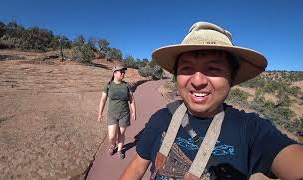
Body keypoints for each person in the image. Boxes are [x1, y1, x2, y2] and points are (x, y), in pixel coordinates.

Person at [120, 22, 303, 179]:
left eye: (213, 69)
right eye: (187, 68)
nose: (197, 81)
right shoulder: (161, 119)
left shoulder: (251, 129)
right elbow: (137, 167)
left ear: (232, 78)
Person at [98, 65, 136, 159]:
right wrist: (100, 113)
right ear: (115, 73)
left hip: (124, 114)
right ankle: (112, 144)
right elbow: (103, 99)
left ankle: (119, 150)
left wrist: (134, 112)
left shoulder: (126, 85)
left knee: (121, 134)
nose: (123, 74)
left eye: (124, 72)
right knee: (112, 136)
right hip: (112, 114)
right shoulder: (109, 85)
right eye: (121, 72)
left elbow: (131, 100)